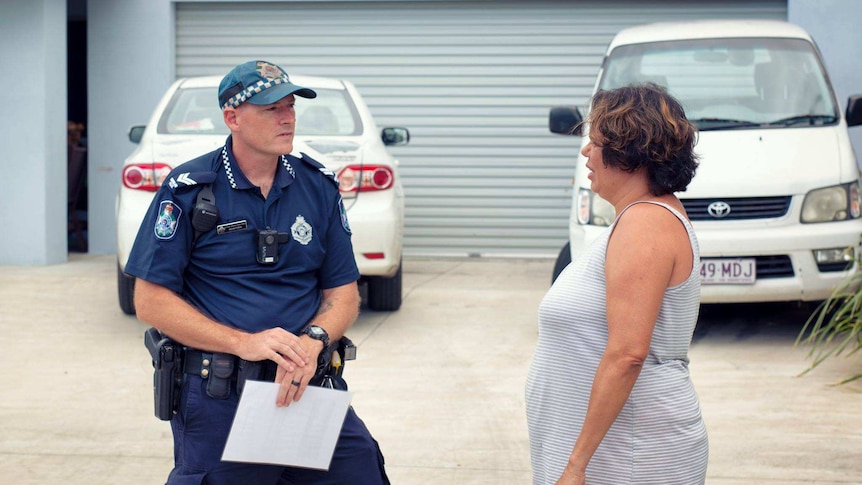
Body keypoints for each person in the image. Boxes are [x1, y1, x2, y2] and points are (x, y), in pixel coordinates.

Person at [125, 60, 389, 484]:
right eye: (271, 109)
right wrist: (244, 342)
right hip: (220, 395)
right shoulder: (189, 189)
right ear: (232, 118)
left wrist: (315, 340)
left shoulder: (317, 185)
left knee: (360, 471)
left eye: (290, 107)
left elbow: (343, 293)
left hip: (306, 385)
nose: (287, 118)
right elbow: (150, 300)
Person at [525, 83, 707, 484]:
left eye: (595, 142)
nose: (586, 153)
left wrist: (576, 465)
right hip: (619, 450)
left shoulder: (646, 223)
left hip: (631, 455)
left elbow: (627, 354)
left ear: (629, 151)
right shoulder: (639, 219)